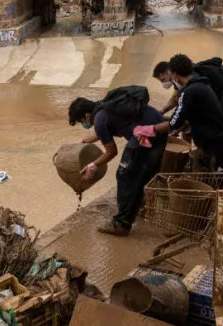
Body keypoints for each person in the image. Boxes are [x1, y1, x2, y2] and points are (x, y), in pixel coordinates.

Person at [68, 87, 167, 236]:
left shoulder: (100, 119)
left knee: (125, 175)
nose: (84, 125)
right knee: (144, 173)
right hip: (159, 127)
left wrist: (93, 165)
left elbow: (111, 152)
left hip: (144, 135)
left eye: (81, 121)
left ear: (87, 116)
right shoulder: (104, 106)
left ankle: (121, 224)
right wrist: (82, 141)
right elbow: (102, 132)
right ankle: (139, 207)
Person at [136, 54, 223, 172]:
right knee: (221, 178)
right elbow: (182, 110)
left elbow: (173, 123)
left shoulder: (189, 92)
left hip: (213, 146)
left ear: (174, 74)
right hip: (220, 141)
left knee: (216, 180)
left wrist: (149, 129)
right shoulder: (201, 83)